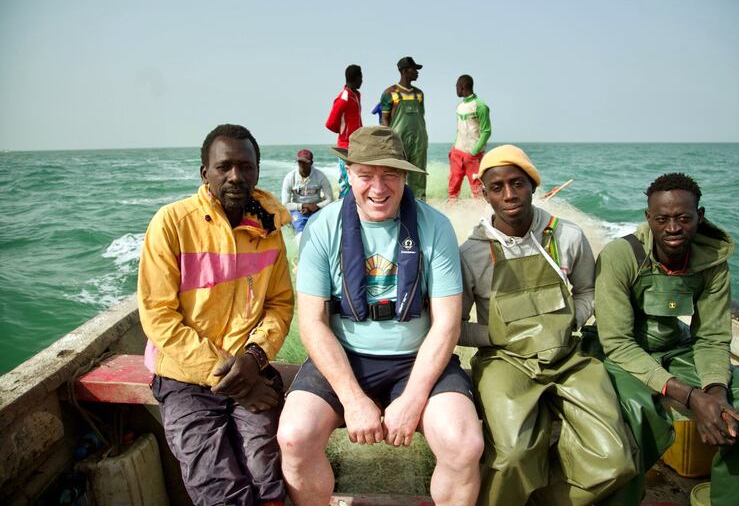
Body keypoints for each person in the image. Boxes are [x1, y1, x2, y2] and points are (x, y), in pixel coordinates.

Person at [277, 126, 483, 506]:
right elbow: (312, 322)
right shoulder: (323, 228)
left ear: (405, 176)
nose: (378, 187)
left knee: (464, 444)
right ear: (348, 175)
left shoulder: (434, 226)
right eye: (366, 175)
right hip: (344, 358)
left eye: (390, 174)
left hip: (416, 360)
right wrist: (352, 399)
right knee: (294, 436)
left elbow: (447, 323)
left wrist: (413, 398)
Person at [459, 145, 635, 505]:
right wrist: (499, 336)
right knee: (513, 455)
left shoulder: (567, 236)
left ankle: (548, 499)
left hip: (568, 358)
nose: (509, 195)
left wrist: (569, 320)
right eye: (497, 187)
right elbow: (455, 327)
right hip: (504, 361)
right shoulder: (472, 253)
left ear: (533, 186)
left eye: (518, 183)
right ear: (485, 194)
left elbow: (588, 291)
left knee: (616, 460)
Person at [595, 172, 739, 505]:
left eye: (683, 218)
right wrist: (691, 396)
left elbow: (711, 336)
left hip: (677, 347)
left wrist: (715, 391)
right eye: (662, 219)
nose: (673, 228)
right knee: (634, 415)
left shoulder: (713, 263)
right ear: (648, 218)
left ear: (700, 216)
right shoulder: (621, 257)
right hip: (626, 354)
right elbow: (617, 343)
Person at [138, 123, 294, 506]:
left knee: (266, 472)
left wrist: (255, 358)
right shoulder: (172, 224)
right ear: (204, 172)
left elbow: (279, 304)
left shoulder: (268, 229)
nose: (236, 176)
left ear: (258, 170)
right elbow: (159, 316)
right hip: (184, 377)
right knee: (216, 484)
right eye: (224, 167)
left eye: (246, 166)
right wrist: (231, 375)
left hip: (249, 367)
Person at [380, 56, 428, 199]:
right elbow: (385, 120)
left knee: (419, 175)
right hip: (398, 140)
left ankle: (420, 206)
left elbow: (421, 115)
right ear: (404, 71)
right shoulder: (390, 93)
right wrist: (389, 141)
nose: (417, 72)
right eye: (414, 69)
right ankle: (396, 205)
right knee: (396, 174)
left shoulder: (419, 94)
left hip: (419, 140)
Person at [448, 75, 491, 202]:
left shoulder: (480, 106)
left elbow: (487, 131)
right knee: (453, 189)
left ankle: (479, 217)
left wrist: (474, 152)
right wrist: (453, 147)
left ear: (462, 86)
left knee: (477, 190)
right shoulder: (459, 106)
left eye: (456, 86)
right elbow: (459, 130)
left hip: (473, 156)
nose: (455, 89)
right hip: (457, 153)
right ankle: (451, 215)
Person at [325, 64, 363, 198]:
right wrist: (343, 132)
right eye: (361, 77)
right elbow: (330, 123)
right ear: (356, 78)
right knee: (346, 182)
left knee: (355, 179)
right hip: (345, 146)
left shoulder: (356, 95)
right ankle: (342, 209)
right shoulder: (343, 97)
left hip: (356, 145)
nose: (362, 81)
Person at [281, 149, 334, 235]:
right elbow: (285, 204)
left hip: (316, 208)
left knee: (324, 232)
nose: (302, 165)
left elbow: (330, 199)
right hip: (298, 210)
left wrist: (317, 206)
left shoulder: (320, 176)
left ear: (311, 163)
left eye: (305, 162)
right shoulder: (290, 177)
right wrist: (302, 206)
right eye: (300, 162)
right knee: (300, 233)